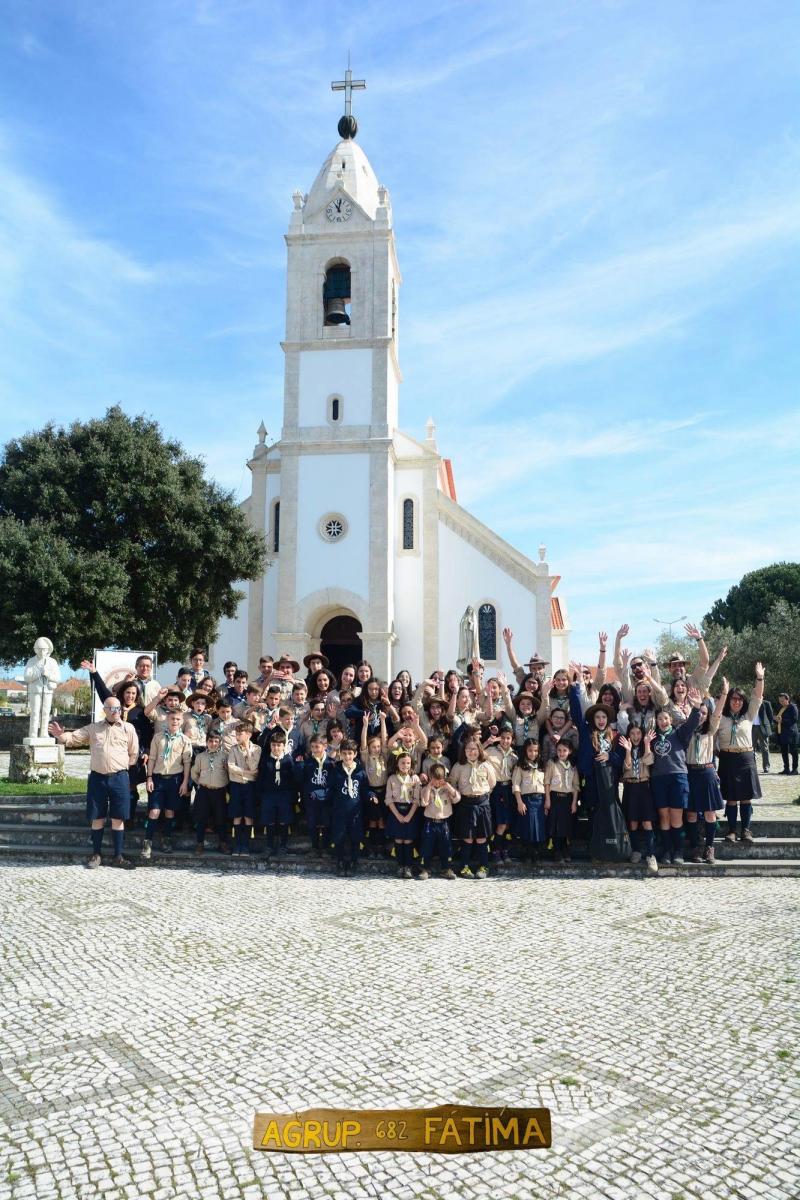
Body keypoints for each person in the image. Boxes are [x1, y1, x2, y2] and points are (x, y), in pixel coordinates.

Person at [49, 698, 139, 869]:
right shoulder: (94, 728)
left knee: (118, 817)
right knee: (97, 817)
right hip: (98, 778)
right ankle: (96, 854)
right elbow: (74, 737)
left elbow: (133, 753)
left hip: (119, 778)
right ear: (104, 710)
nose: (115, 711)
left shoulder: (128, 729)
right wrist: (61, 735)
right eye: (111, 708)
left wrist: (121, 766)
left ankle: (118, 856)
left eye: (118, 708)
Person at [649, 688, 703, 864]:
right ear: (656, 721)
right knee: (664, 816)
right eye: (660, 719)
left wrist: (696, 708)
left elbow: (692, 724)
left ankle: (678, 851)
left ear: (671, 720)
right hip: (658, 779)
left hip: (678, 777)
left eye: (666, 718)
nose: (663, 721)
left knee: (676, 816)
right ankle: (667, 851)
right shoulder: (653, 737)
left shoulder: (679, 733)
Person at [718, 663, 765, 844]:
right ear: (728, 700)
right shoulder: (722, 718)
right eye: (733, 699)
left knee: (746, 798)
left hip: (746, 759)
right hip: (727, 758)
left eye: (739, 699)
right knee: (730, 798)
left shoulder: (748, 715)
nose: (736, 701)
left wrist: (759, 678)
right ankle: (731, 831)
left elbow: (757, 696)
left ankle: (745, 830)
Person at [685, 687, 727, 865]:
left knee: (710, 813)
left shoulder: (710, 730)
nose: (701, 715)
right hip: (690, 772)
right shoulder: (685, 729)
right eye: (699, 712)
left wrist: (723, 694)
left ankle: (710, 848)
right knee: (692, 813)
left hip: (707, 771)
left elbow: (717, 713)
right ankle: (695, 846)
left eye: (704, 713)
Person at [142, 709, 192, 858]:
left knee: (170, 811)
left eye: (177, 719)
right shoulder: (158, 738)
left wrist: (184, 782)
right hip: (158, 778)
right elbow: (151, 758)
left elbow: (187, 763)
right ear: (167, 720)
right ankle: (147, 842)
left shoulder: (184, 740)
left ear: (181, 721)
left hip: (175, 779)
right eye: (172, 719)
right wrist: (149, 777)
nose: (175, 722)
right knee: (155, 811)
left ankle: (167, 839)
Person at [448, 738, 497, 879]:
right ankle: (464, 867)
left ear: (479, 750)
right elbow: (453, 784)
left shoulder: (486, 765)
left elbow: (492, 783)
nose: (471, 752)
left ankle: (484, 866)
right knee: (467, 838)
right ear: (464, 751)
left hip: (482, 804)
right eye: (468, 749)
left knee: (481, 838)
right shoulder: (458, 766)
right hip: (465, 804)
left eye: (474, 749)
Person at [616, 725, 657, 873]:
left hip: (644, 786)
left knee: (646, 821)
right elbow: (626, 767)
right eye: (632, 733)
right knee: (632, 821)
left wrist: (647, 744)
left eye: (638, 733)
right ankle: (636, 850)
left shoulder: (644, 747)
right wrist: (627, 750)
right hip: (630, 787)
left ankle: (651, 854)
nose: (635, 736)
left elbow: (649, 761)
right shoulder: (625, 749)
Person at [327, 739, 367, 876]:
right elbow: (331, 788)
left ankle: (353, 862)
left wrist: (371, 795)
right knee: (340, 837)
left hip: (356, 811)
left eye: (350, 753)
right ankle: (340, 862)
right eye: (344, 753)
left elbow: (365, 789)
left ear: (355, 754)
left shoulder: (360, 771)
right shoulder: (336, 770)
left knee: (355, 837)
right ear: (340, 754)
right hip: (339, 810)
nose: (347, 757)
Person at [256, 728, 297, 857]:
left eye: (279, 745)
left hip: (284, 795)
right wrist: (260, 795)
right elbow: (261, 779)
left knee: (284, 821)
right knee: (270, 821)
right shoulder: (265, 760)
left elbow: (293, 779)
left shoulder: (288, 760)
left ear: (284, 746)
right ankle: (269, 846)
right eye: (273, 745)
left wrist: (293, 796)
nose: (276, 748)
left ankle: (283, 846)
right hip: (269, 795)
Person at [190, 728, 230, 855]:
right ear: (206, 742)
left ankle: (223, 843)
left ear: (220, 742)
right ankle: (199, 844)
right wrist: (201, 783)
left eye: (216, 741)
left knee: (221, 818)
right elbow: (194, 773)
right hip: (204, 791)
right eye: (211, 741)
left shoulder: (225, 757)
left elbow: (229, 773)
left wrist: (223, 783)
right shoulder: (200, 757)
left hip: (219, 792)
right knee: (201, 818)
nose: (213, 744)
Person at [418, 764, 460, 880]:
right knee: (427, 845)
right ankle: (426, 868)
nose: (437, 783)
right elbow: (424, 803)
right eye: (434, 780)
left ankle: (445, 868)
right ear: (430, 778)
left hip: (444, 822)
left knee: (445, 845)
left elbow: (457, 799)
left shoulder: (446, 790)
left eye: (440, 780)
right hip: (430, 822)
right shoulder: (426, 789)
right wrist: (429, 787)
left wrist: (448, 786)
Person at [227, 720, 261, 857]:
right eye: (236, 734)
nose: (237, 737)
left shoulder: (257, 749)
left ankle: (245, 845)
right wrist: (246, 772)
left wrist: (247, 750)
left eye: (240, 734)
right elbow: (231, 766)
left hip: (250, 786)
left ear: (248, 735)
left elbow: (254, 767)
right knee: (236, 815)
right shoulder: (233, 749)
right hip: (236, 784)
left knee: (248, 815)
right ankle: (237, 845)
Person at [385, 751, 422, 878]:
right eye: (402, 763)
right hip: (396, 811)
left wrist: (408, 816)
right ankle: (400, 866)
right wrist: (398, 815)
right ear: (397, 763)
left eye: (408, 763)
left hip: (410, 811)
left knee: (408, 840)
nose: (405, 765)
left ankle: (408, 866)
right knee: (399, 839)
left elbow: (417, 800)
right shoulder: (392, 778)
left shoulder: (415, 779)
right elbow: (388, 799)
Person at [484, 726, 517, 863]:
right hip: (496, 788)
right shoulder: (491, 751)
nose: (505, 741)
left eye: (508, 738)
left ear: (512, 740)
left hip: (508, 788)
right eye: (502, 738)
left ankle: (504, 849)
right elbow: (475, 751)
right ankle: (496, 850)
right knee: (500, 822)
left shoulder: (514, 756)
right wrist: (487, 743)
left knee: (506, 822)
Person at [511, 739, 546, 863]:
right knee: (528, 826)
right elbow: (516, 785)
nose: (533, 753)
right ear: (525, 751)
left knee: (539, 827)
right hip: (527, 800)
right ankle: (527, 852)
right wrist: (519, 802)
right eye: (530, 750)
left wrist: (547, 801)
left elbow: (546, 784)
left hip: (540, 800)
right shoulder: (520, 766)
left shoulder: (542, 765)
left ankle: (537, 852)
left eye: (536, 751)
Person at [544, 741, 579, 863]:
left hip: (568, 798)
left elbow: (575, 786)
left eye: (564, 750)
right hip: (555, 797)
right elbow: (547, 782)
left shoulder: (573, 766)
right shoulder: (552, 763)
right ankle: (557, 851)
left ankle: (565, 849)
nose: (561, 753)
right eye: (559, 750)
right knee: (555, 825)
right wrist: (547, 799)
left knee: (566, 825)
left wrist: (574, 802)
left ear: (569, 751)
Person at [299, 734, 332, 853]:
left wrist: (325, 794)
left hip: (326, 800)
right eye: (312, 747)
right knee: (313, 824)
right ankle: (314, 847)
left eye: (317, 747)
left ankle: (326, 847)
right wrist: (299, 766)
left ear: (325, 746)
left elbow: (332, 783)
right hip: (311, 800)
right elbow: (302, 781)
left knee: (326, 823)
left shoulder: (331, 764)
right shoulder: (307, 763)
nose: (314, 750)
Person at [775, 693, 799, 774]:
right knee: (784, 751)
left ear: (787, 699)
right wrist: (775, 719)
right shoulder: (781, 708)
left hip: (791, 733)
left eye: (782, 700)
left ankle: (795, 769)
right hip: (781, 733)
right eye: (779, 701)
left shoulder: (793, 707)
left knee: (793, 751)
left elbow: (794, 720)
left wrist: (782, 721)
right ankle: (786, 769)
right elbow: (779, 719)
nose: (781, 702)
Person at [752, 696, 774, 773]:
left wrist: (768, 728)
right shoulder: (750, 703)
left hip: (763, 728)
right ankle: (752, 766)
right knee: (751, 748)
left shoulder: (766, 703)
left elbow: (770, 716)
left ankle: (766, 767)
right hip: (752, 727)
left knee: (764, 748)